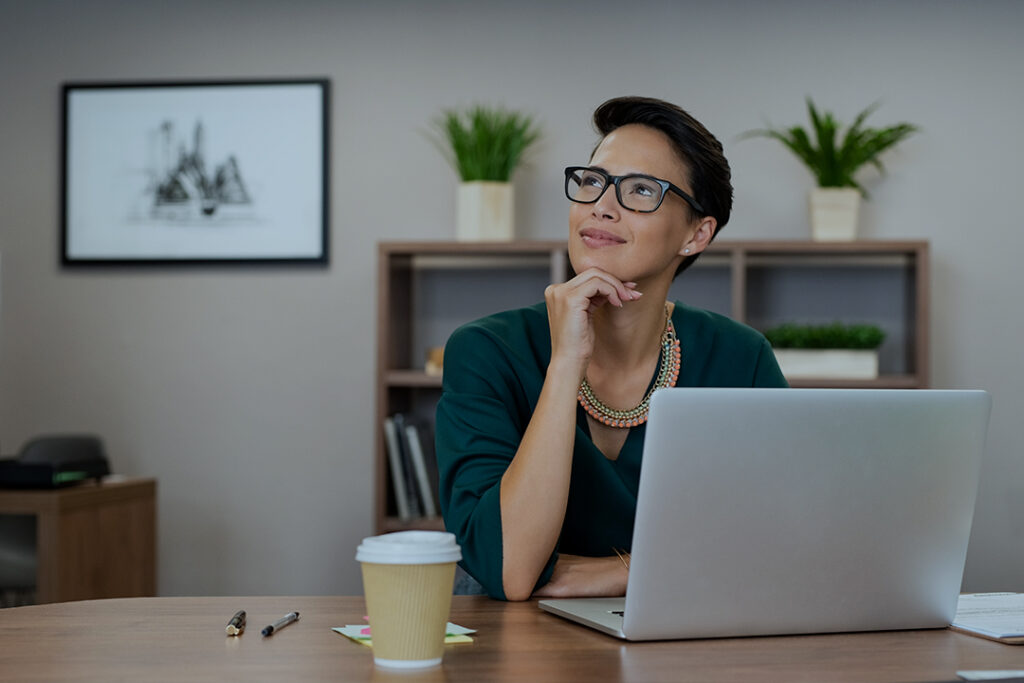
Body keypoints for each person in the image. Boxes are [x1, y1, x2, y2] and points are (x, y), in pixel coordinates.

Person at [435, 96, 788, 601]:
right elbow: (512, 570)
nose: (601, 204)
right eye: (592, 181)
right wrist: (565, 363)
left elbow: (778, 541)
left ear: (696, 233)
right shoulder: (485, 351)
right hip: (519, 648)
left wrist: (617, 572)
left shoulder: (740, 357)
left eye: (641, 189)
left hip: (682, 633)